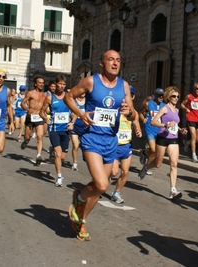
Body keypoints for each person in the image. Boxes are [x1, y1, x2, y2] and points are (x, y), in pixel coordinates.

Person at [64, 49, 135, 241]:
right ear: (101, 63)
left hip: (111, 140)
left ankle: (81, 220)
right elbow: (68, 96)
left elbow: (134, 114)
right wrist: (80, 114)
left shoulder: (124, 86)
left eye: (118, 60)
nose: (115, 63)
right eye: (111, 59)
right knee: (102, 185)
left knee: (101, 184)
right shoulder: (91, 81)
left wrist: (129, 112)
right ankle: (79, 198)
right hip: (92, 137)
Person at [138, 86, 188, 199]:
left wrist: (181, 130)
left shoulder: (177, 110)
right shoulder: (164, 109)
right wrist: (165, 125)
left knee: (174, 164)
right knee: (157, 163)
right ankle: (146, 168)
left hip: (173, 138)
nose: (176, 98)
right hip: (162, 138)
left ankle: (172, 190)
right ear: (169, 97)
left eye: (177, 96)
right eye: (173, 96)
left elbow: (174, 124)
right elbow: (154, 122)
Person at [110, 85, 142, 203]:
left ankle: (116, 192)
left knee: (125, 172)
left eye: (131, 95)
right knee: (113, 172)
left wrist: (138, 132)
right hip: (114, 145)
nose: (127, 98)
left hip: (126, 146)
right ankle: (101, 180)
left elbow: (137, 125)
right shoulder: (115, 111)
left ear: (133, 97)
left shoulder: (134, 113)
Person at [40, 74, 71, 186]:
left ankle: (52, 154)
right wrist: (46, 119)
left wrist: (72, 122)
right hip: (54, 129)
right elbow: (41, 112)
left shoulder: (68, 97)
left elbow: (76, 112)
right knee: (58, 154)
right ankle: (59, 177)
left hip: (65, 130)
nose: (62, 86)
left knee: (62, 156)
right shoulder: (50, 98)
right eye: (60, 84)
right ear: (55, 84)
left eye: (64, 84)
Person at [20, 75, 46, 165]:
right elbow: (22, 103)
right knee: (27, 136)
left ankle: (38, 155)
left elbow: (46, 106)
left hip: (39, 117)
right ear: (35, 84)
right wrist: (27, 109)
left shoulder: (44, 95)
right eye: (39, 83)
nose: (41, 84)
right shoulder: (30, 93)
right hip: (30, 116)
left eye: (42, 83)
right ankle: (26, 141)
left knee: (40, 136)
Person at [138, 88, 165, 169]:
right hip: (149, 129)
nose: (161, 97)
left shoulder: (164, 106)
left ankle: (144, 153)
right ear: (155, 95)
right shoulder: (148, 104)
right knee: (153, 150)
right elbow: (140, 113)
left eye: (162, 95)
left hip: (159, 130)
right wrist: (143, 119)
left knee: (155, 151)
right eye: (159, 95)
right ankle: (146, 167)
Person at [69, 92, 86, 171]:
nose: (82, 93)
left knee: (84, 145)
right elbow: (71, 113)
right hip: (75, 126)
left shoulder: (88, 101)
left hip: (85, 127)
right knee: (75, 145)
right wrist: (73, 116)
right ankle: (75, 163)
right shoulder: (74, 102)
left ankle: (84, 153)